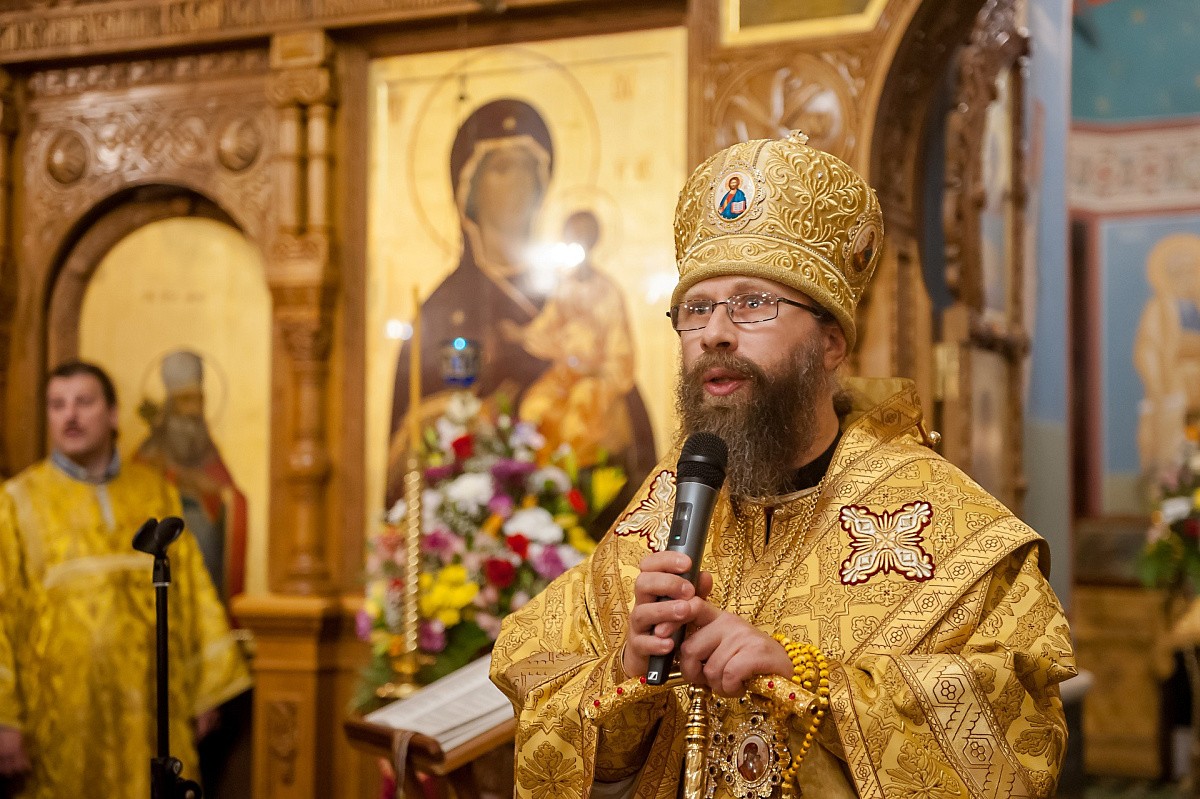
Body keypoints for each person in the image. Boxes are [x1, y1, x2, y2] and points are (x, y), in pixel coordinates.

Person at [491, 132, 1075, 799]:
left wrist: (809, 680)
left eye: (753, 303)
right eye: (697, 309)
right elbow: (537, 679)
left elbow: (1018, 729)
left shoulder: (949, 526)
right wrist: (626, 670)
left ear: (831, 343)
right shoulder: (665, 506)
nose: (715, 332)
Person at [0, 360, 252, 798]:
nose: (70, 415)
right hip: (59, 720)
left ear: (114, 414)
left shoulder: (155, 492)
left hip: (152, 711)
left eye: (84, 402)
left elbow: (192, 591)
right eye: (58, 405)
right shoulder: (17, 502)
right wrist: (4, 719)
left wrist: (207, 688)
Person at [134, 349, 248, 604]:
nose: (194, 409)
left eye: (199, 400)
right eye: (186, 400)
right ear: (171, 405)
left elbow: (233, 497)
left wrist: (212, 490)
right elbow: (133, 498)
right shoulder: (150, 452)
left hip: (205, 546)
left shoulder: (208, 451)